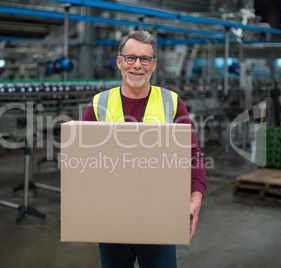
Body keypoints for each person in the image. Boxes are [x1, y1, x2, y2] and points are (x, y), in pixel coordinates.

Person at [81, 30, 206, 268]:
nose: (137, 65)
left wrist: (195, 197)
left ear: (154, 64)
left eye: (145, 59)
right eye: (130, 58)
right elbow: (81, 163)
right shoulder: (99, 104)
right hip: (112, 222)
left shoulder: (171, 103)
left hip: (158, 220)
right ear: (119, 62)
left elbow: (194, 156)